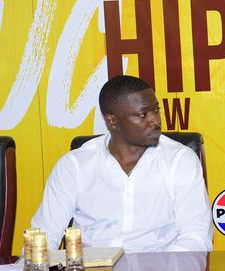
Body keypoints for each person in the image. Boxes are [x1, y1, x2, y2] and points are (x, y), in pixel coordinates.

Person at [32, 75, 213, 252]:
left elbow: (196, 238)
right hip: (92, 270)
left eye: (156, 110)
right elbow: (43, 239)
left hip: (160, 268)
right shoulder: (74, 166)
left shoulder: (179, 159)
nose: (155, 121)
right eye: (143, 115)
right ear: (112, 121)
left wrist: (162, 270)